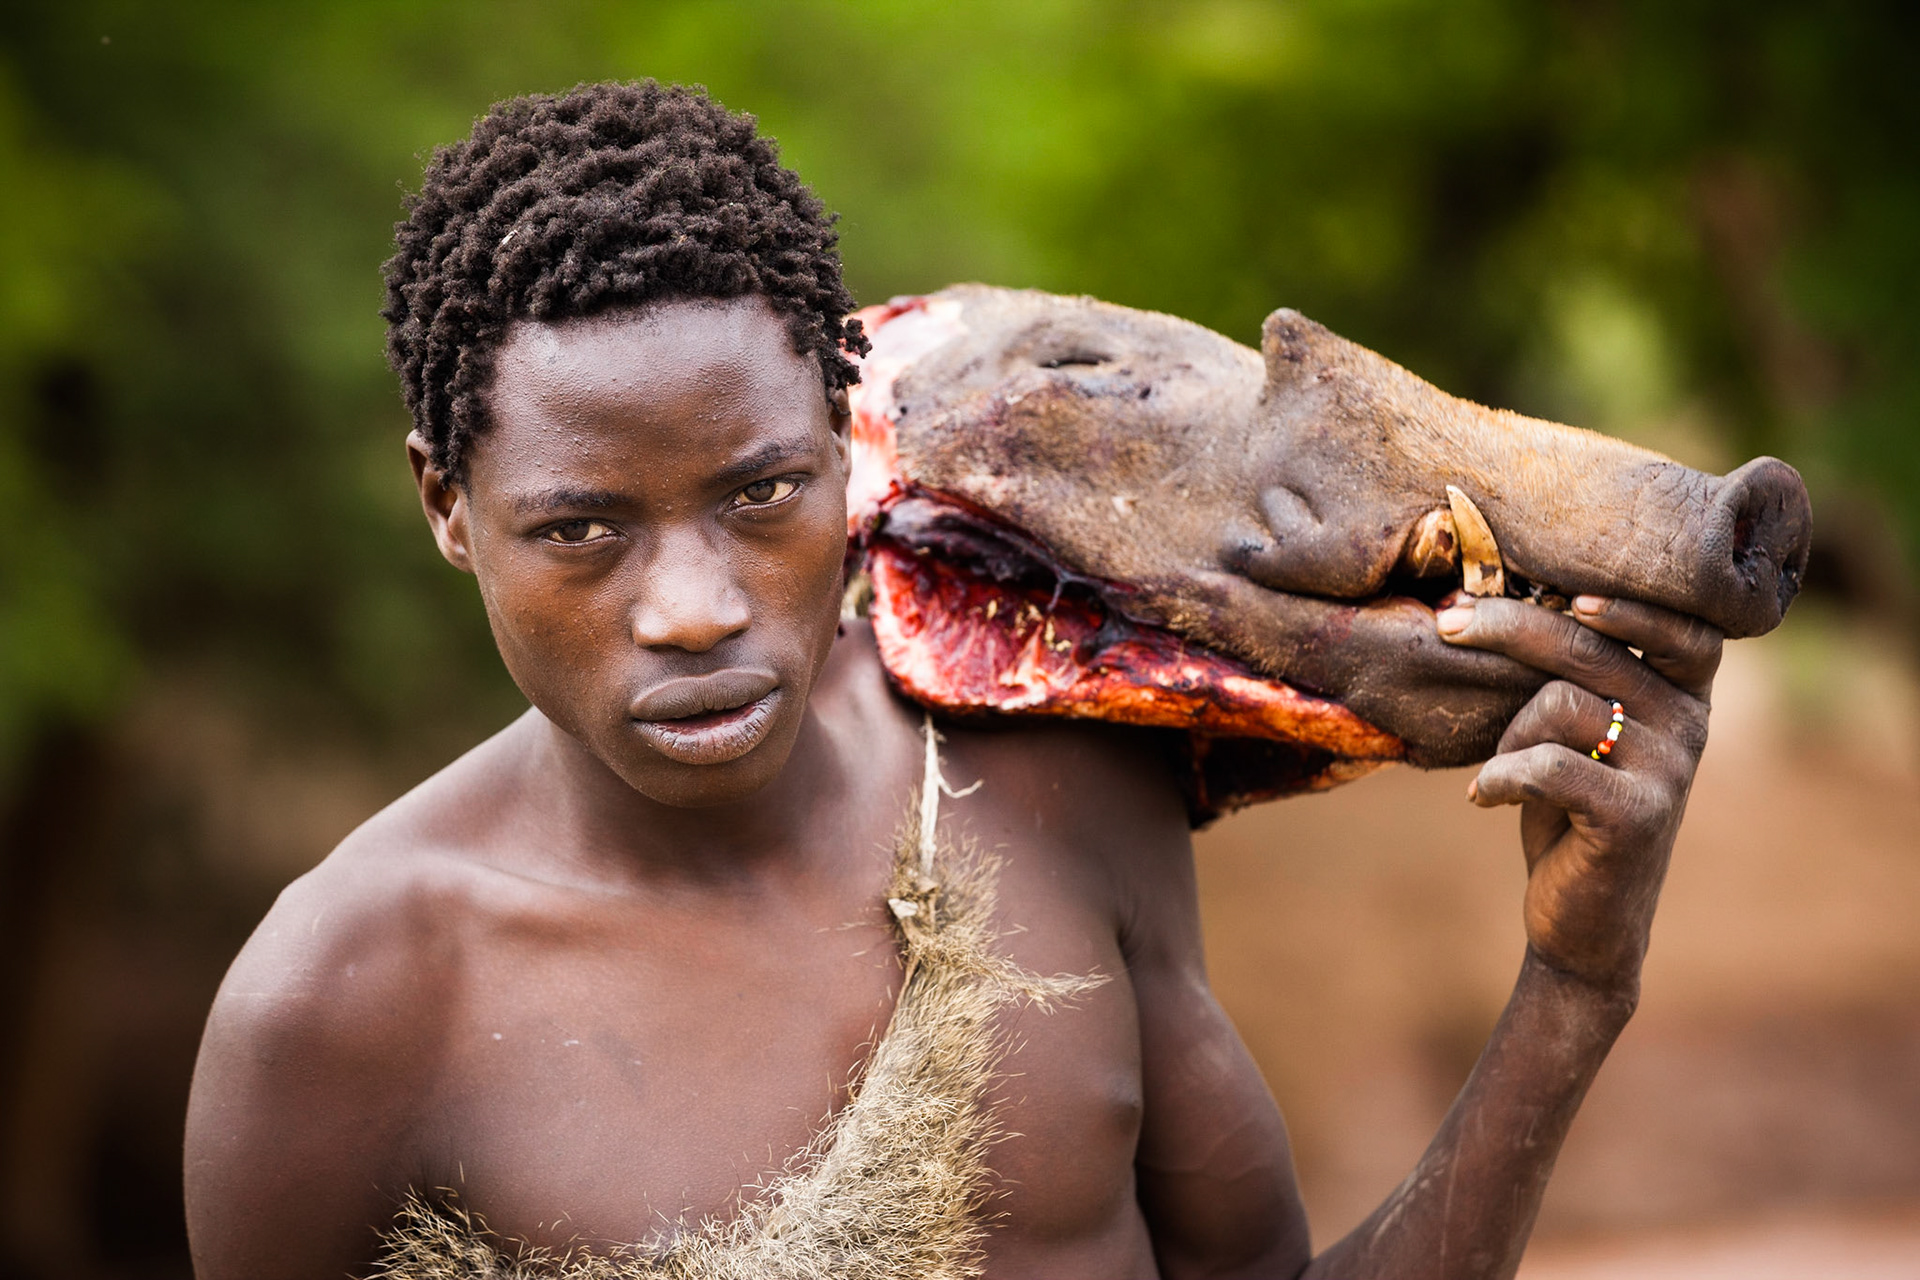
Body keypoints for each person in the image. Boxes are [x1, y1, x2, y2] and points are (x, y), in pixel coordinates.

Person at [183, 81, 1721, 1280]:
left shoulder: (1036, 782)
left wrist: (1572, 993)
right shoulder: (344, 1007)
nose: (696, 610)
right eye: (580, 531)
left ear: (850, 449)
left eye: (761, 496)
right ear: (448, 508)